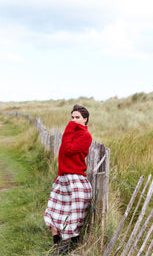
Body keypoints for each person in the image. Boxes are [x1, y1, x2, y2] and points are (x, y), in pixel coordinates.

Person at [44, 104, 93, 255]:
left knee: (71, 215)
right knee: (53, 211)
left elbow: (69, 149)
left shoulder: (85, 136)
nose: (73, 120)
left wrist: (68, 128)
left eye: (77, 117)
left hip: (76, 178)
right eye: (72, 117)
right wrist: (70, 129)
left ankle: (68, 244)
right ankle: (57, 244)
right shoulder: (71, 133)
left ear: (85, 119)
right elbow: (63, 154)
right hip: (63, 178)